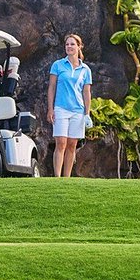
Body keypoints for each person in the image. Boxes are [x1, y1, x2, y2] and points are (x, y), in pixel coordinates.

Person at [46, 33, 92, 178]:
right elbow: (52, 87)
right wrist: (50, 109)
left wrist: (87, 113)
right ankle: (57, 177)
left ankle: (67, 178)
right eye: (67, 44)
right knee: (61, 143)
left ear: (79, 47)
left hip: (77, 111)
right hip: (61, 108)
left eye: (72, 44)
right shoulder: (58, 65)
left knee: (72, 144)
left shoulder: (85, 70)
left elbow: (86, 93)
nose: (69, 47)